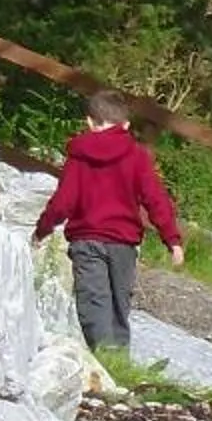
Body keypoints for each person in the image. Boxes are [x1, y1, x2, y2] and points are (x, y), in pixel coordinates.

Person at [31, 92, 183, 351]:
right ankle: (117, 360)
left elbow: (63, 201)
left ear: (90, 122)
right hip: (123, 243)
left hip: (86, 240)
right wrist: (172, 240)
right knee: (119, 303)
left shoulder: (79, 155)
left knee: (94, 301)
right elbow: (156, 199)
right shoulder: (137, 156)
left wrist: (42, 230)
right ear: (125, 125)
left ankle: (103, 355)